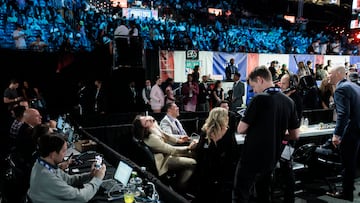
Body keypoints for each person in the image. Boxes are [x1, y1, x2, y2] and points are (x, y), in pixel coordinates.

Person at [233, 66, 300, 203]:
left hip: (252, 156)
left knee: (241, 193)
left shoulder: (259, 99)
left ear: (260, 79)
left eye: (253, 86)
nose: (254, 91)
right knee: (264, 193)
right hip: (272, 157)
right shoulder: (289, 102)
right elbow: (295, 134)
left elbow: (241, 129)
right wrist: (277, 135)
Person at [28, 133, 106, 202]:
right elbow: (81, 197)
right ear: (53, 154)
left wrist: (90, 175)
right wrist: (97, 179)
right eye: (64, 151)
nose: (65, 154)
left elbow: (68, 179)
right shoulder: (47, 177)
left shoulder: (41, 164)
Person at [132, 115, 197, 193]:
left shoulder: (154, 128)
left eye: (147, 118)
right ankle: (179, 189)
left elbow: (166, 135)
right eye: (146, 121)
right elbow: (170, 149)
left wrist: (179, 140)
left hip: (167, 155)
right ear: (144, 129)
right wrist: (188, 147)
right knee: (193, 163)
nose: (149, 119)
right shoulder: (151, 138)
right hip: (164, 162)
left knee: (193, 154)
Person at [327, 66, 360, 201]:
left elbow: (343, 114)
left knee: (347, 164)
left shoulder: (341, 89)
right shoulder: (354, 86)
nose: (328, 76)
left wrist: (337, 134)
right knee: (353, 163)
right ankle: (349, 190)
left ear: (338, 74)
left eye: (330, 73)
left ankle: (347, 193)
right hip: (358, 130)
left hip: (350, 131)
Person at [193, 107, 230, 203]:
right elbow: (232, 151)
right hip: (222, 168)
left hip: (205, 168)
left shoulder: (206, 130)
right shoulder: (227, 131)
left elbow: (199, 150)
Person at [278, 73, 303, 203]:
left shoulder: (293, 99)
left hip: (288, 140)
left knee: (287, 167)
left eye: (283, 83)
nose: (280, 86)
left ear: (291, 85)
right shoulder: (287, 97)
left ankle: (289, 197)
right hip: (284, 139)